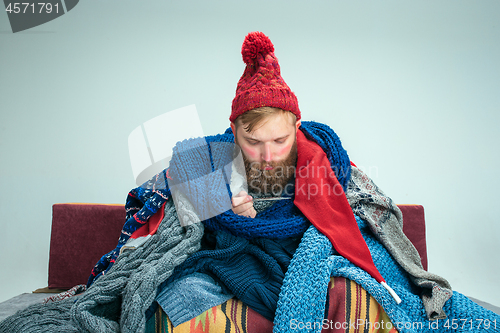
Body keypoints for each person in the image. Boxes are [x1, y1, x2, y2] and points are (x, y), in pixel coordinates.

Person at [2, 31, 499, 333]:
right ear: (235, 130)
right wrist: (216, 206)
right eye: (254, 142)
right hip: (234, 262)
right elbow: (169, 200)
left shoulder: (324, 158)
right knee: (176, 298)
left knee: (361, 294)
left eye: (279, 141)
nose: (267, 156)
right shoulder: (210, 158)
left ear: (295, 129)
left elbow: (367, 214)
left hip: (301, 255)